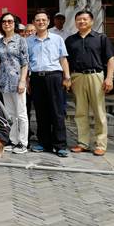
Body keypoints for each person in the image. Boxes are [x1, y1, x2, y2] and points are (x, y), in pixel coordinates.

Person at [65, 9, 114, 156]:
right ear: (75, 22)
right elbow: (66, 60)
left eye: (85, 19)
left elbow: (110, 59)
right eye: (78, 19)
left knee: (99, 111)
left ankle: (100, 144)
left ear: (91, 21)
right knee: (80, 112)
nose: (81, 22)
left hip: (96, 76)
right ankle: (83, 143)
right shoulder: (70, 40)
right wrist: (67, 78)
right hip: (77, 77)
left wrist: (109, 78)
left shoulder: (101, 38)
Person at [26, 10, 71, 157]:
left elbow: (63, 59)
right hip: (36, 78)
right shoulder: (28, 41)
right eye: (38, 20)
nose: (41, 22)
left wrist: (67, 77)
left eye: (43, 20)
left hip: (54, 77)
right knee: (41, 111)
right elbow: (26, 62)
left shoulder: (57, 39)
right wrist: (27, 80)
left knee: (57, 111)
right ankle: (44, 142)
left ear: (48, 21)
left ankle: (60, 144)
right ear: (34, 22)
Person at [0, 12, 29, 154]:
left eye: (10, 21)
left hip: (17, 82)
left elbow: (25, 63)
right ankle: (13, 140)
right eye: (4, 21)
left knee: (21, 113)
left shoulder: (21, 40)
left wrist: (22, 81)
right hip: (4, 82)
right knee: (10, 114)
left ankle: (23, 142)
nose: (7, 24)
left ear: (14, 24)